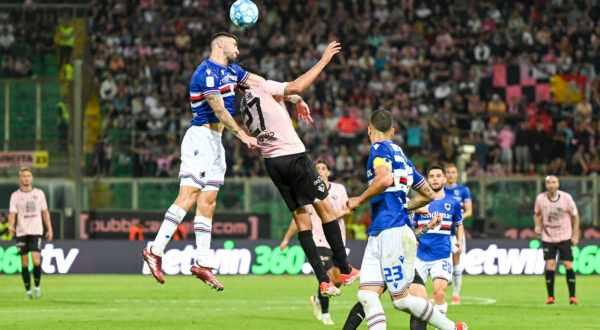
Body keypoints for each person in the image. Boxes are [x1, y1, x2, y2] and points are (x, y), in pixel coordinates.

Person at [142, 32, 264, 290]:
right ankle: (155, 250)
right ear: (221, 44)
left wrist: (290, 94)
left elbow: (260, 83)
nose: (238, 51)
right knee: (189, 196)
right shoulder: (205, 72)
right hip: (200, 138)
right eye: (235, 45)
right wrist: (243, 135)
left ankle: (203, 263)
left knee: (208, 203)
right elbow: (219, 109)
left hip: (216, 143)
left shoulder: (233, 71)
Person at [239, 41, 359, 297]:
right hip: (293, 156)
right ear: (249, 77)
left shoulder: (244, 104)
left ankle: (323, 280)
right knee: (325, 209)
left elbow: (286, 96)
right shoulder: (261, 85)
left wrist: (295, 100)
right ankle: (345, 268)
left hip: (272, 163)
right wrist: (324, 60)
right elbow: (295, 85)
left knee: (301, 219)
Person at [346, 109, 466, 330]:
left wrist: (359, 199)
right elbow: (428, 194)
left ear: (369, 129)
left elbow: (383, 179)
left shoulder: (378, 148)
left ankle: (451, 328)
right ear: (393, 130)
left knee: (401, 301)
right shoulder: (402, 156)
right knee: (366, 295)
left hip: (393, 230)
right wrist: (404, 205)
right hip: (379, 232)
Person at [279, 160, 352, 325]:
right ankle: (326, 314)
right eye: (317, 168)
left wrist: (334, 213)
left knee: (339, 280)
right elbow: (298, 219)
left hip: (337, 240)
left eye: (323, 168)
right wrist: (286, 239)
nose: (320, 170)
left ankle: (318, 299)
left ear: (328, 172)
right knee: (326, 277)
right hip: (319, 241)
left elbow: (348, 209)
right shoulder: (308, 191)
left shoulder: (339, 189)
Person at [342, 213, 444, 330]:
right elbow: (396, 234)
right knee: (370, 298)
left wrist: (427, 226)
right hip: (390, 257)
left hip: (402, 259)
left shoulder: (403, 204)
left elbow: (408, 234)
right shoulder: (395, 204)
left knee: (420, 300)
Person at [414, 165, 464, 319]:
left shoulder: (453, 203)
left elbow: (459, 224)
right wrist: (413, 238)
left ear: (444, 179)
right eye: (432, 176)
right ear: (428, 179)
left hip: (441, 254)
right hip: (420, 255)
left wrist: (459, 241)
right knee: (416, 299)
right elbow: (413, 225)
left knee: (439, 292)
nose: (435, 179)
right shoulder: (419, 201)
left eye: (438, 176)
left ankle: (440, 327)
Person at [8, 167, 53, 300]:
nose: (26, 178)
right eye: (24, 176)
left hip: (36, 231)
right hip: (22, 232)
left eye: (28, 175)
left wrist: (49, 228)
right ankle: (28, 290)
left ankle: (37, 288)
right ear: (20, 178)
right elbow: (12, 213)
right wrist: (11, 226)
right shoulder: (15, 196)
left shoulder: (39, 194)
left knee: (36, 259)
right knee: (25, 263)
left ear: (32, 178)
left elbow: (45, 211)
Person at [534, 175, 580, 305]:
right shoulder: (540, 199)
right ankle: (551, 297)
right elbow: (536, 215)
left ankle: (572, 297)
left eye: (554, 182)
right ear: (546, 185)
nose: (551, 185)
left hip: (564, 236)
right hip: (548, 236)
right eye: (549, 183)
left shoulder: (566, 198)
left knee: (567, 265)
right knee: (550, 265)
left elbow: (575, 216)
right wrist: (537, 226)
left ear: (558, 184)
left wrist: (575, 235)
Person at [443, 163, 472, 304]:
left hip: (456, 232)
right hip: (441, 231)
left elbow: (469, 211)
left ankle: (456, 294)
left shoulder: (463, 190)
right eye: (448, 172)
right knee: (440, 260)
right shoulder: (440, 189)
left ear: (457, 174)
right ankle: (439, 293)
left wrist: (457, 219)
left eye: (453, 172)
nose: (450, 174)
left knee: (456, 261)